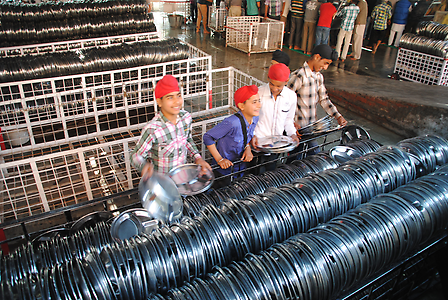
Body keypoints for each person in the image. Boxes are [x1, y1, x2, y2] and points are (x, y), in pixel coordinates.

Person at [130, 75, 211, 179]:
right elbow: (136, 155)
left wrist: (198, 158)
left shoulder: (186, 118)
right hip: (163, 183)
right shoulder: (153, 129)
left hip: (182, 179)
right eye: (170, 97)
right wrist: (144, 165)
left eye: (178, 96)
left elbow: (188, 140)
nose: (177, 101)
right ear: (159, 102)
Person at [288, 44, 348, 158]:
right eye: (325, 63)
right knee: (301, 158)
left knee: (308, 157)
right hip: (298, 130)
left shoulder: (319, 77)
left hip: (311, 128)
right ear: (316, 57)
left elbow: (324, 99)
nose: (325, 67)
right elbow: (284, 101)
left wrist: (338, 116)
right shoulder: (299, 76)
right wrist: (291, 124)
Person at [203, 85, 261, 187]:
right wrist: (220, 159)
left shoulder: (255, 118)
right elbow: (208, 137)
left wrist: (248, 148)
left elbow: (246, 136)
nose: (259, 105)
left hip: (240, 167)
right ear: (241, 106)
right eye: (254, 102)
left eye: (259, 101)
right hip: (224, 171)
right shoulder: (231, 123)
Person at [252, 63, 300, 172]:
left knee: (271, 172)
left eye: (279, 86)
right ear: (268, 78)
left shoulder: (291, 96)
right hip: (258, 143)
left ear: (286, 82)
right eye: (271, 84)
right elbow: (250, 119)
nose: (274, 88)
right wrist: (252, 135)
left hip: (276, 145)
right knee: (255, 174)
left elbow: (288, 120)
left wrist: (292, 134)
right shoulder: (258, 93)